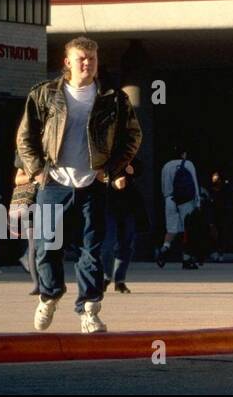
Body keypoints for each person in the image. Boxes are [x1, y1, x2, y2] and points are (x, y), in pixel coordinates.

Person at [17, 35, 142, 333]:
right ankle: (49, 296)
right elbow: (26, 136)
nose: (87, 63)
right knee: (48, 247)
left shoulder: (113, 98)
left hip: (92, 184)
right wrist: (36, 170)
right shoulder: (44, 94)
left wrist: (110, 170)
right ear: (67, 63)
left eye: (92, 59)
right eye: (81, 59)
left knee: (92, 249)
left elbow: (132, 137)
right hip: (54, 182)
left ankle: (89, 310)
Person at [101, 159, 144, 292]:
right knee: (108, 244)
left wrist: (133, 169)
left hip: (128, 206)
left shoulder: (129, 155)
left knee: (126, 245)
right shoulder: (104, 156)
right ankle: (106, 276)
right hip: (108, 205)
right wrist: (113, 184)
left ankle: (119, 280)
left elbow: (139, 168)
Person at [158, 148, 201, 270]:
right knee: (187, 230)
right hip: (186, 201)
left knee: (171, 229)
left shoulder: (166, 166)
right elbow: (194, 184)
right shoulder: (188, 164)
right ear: (183, 154)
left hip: (170, 199)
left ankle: (165, 248)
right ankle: (186, 258)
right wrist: (197, 203)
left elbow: (163, 186)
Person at [10, 158, 41, 294]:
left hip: (53, 200)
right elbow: (18, 179)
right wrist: (35, 175)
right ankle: (38, 284)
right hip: (31, 202)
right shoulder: (27, 151)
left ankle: (52, 280)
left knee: (52, 244)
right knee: (33, 245)